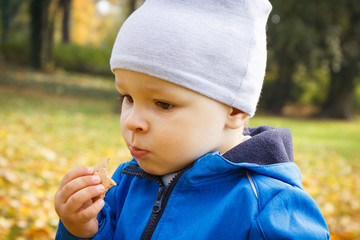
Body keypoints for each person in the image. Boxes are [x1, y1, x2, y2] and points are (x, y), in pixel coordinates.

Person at [54, 0, 330, 239]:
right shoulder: (125, 184)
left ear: (234, 110)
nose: (131, 121)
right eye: (127, 97)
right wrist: (82, 231)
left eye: (163, 104)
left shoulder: (269, 207)